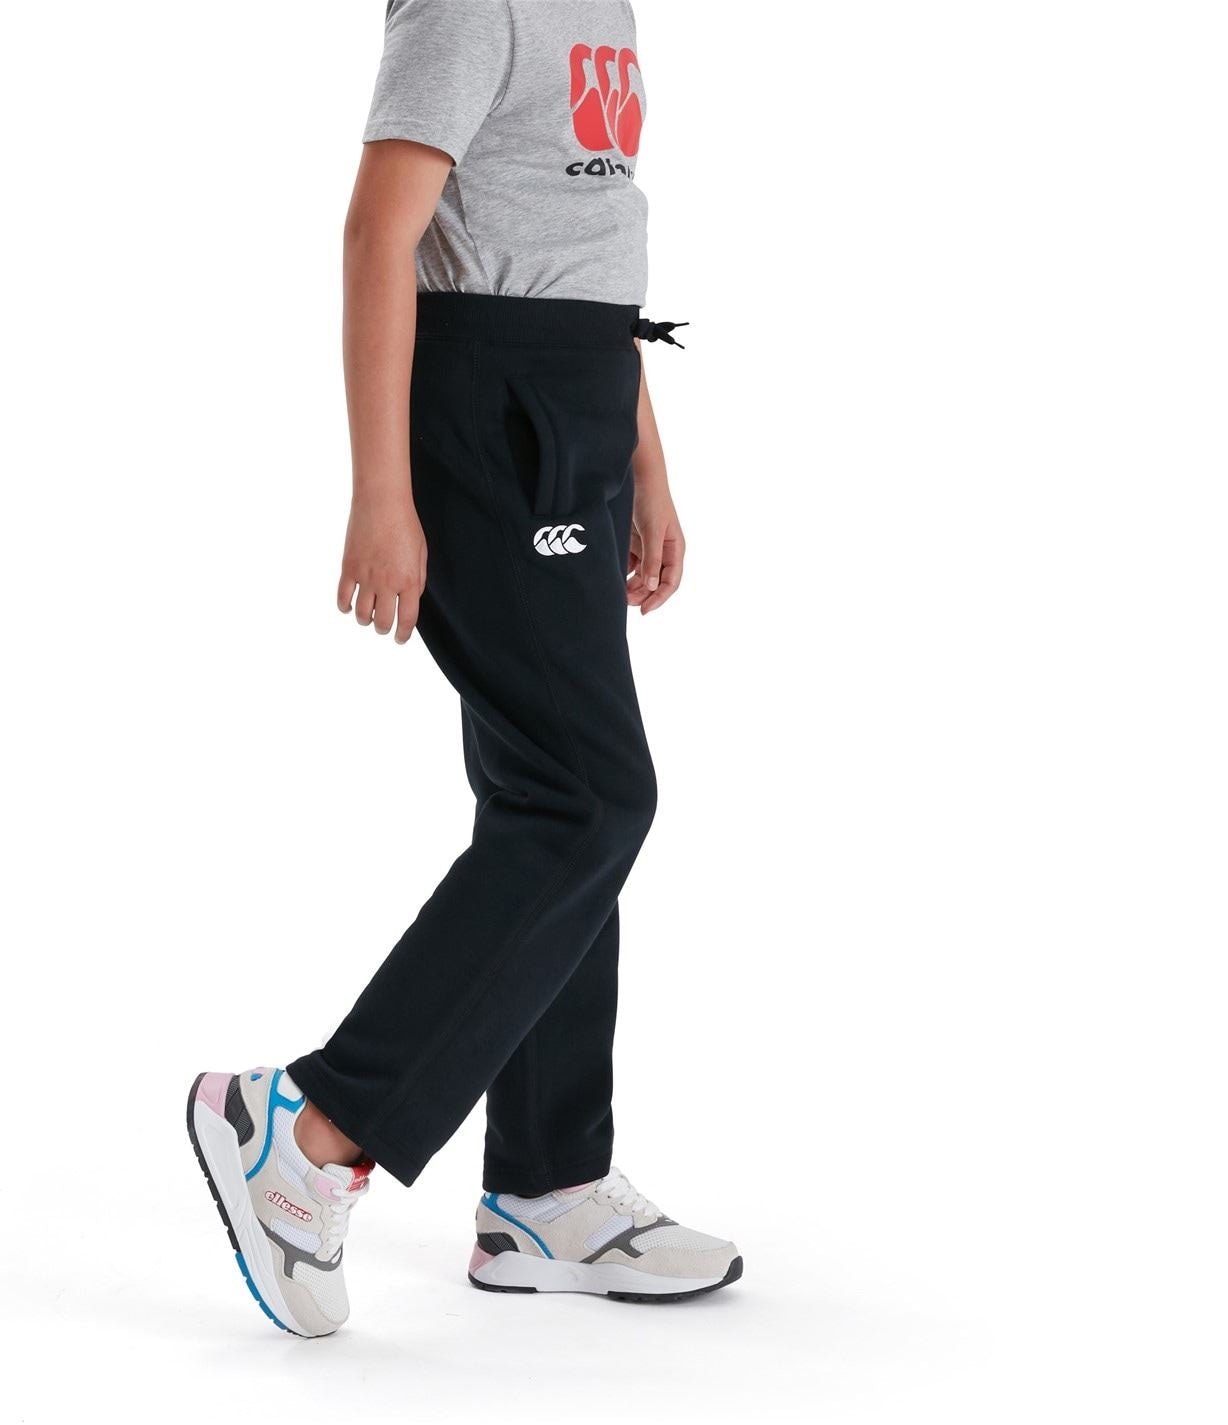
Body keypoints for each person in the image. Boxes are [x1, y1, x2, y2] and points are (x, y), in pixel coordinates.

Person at [187, 0, 741, 1337]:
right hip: (489, 407)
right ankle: (307, 1127)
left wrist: (644, 460)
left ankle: (546, 1185)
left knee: (550, 803)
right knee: (591, 798)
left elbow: (585, 230)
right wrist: (381, 489)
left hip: (576, 399)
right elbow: (381, 232)